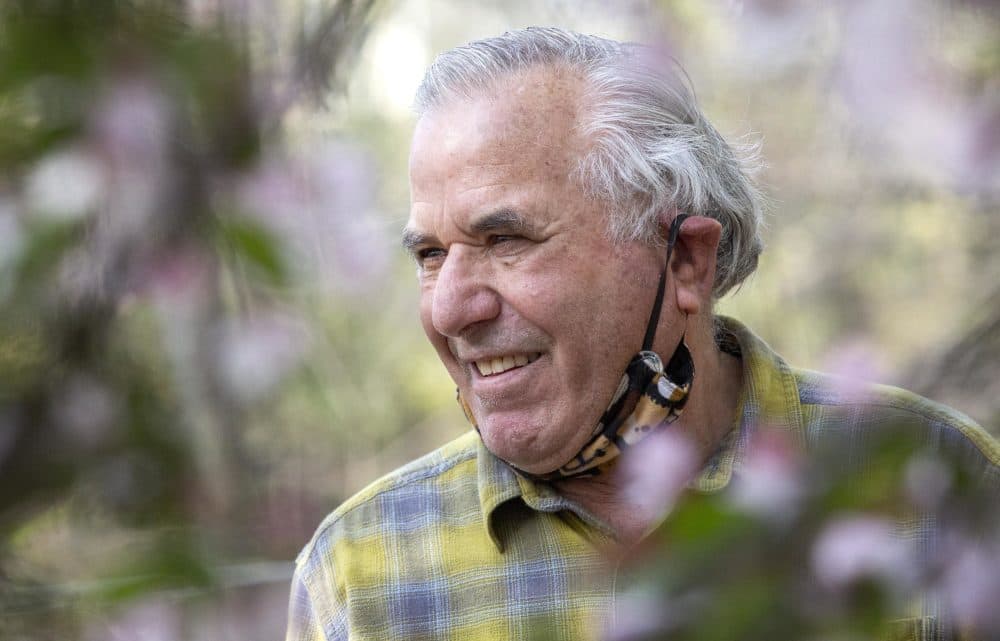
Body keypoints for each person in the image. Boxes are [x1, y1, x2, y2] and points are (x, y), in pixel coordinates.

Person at [286, 27, 1000, 641]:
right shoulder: (356, 569)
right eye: (430, 255)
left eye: (505, 238)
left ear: (686, 260)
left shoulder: (942, 485)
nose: (449, 311)